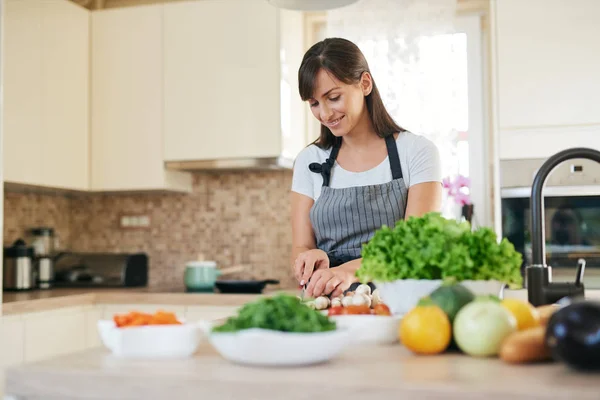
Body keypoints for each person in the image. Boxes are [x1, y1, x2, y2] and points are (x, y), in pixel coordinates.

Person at [290, 38, 443, 299]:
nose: (325, 114)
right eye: (314, 103)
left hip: (399, 304)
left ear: (365, 84)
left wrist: (348, 271)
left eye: (333, 97)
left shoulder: (416, 152)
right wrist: (309, 257)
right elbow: (301, 245)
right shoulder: (308, 160)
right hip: (330, 303)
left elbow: (413, 247)